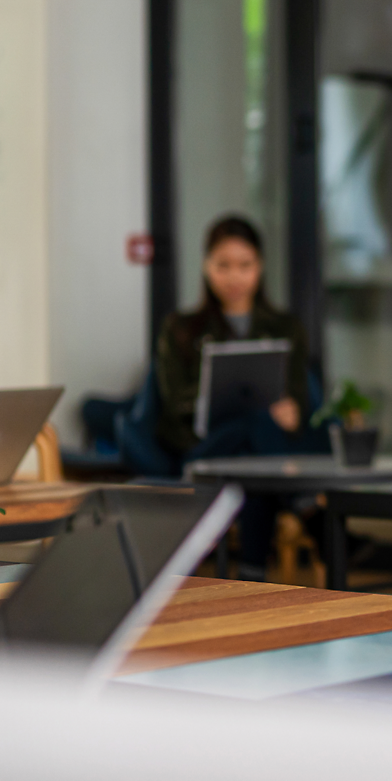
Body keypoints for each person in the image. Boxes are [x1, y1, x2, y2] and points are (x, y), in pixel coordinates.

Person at [153, 215, 325, 579]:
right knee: (254, 425)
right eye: (223, 266)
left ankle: (252, 575)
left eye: (245, 266)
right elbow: (172, 406)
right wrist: (212, 401)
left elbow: (299, 402)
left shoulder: (285, 327)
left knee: (253, 456)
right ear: (206, 267)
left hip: (259, 450)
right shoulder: (181, 329)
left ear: (259, 267)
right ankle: (309, 511)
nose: (234, 277)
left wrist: (291, 412)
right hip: (205, 449)